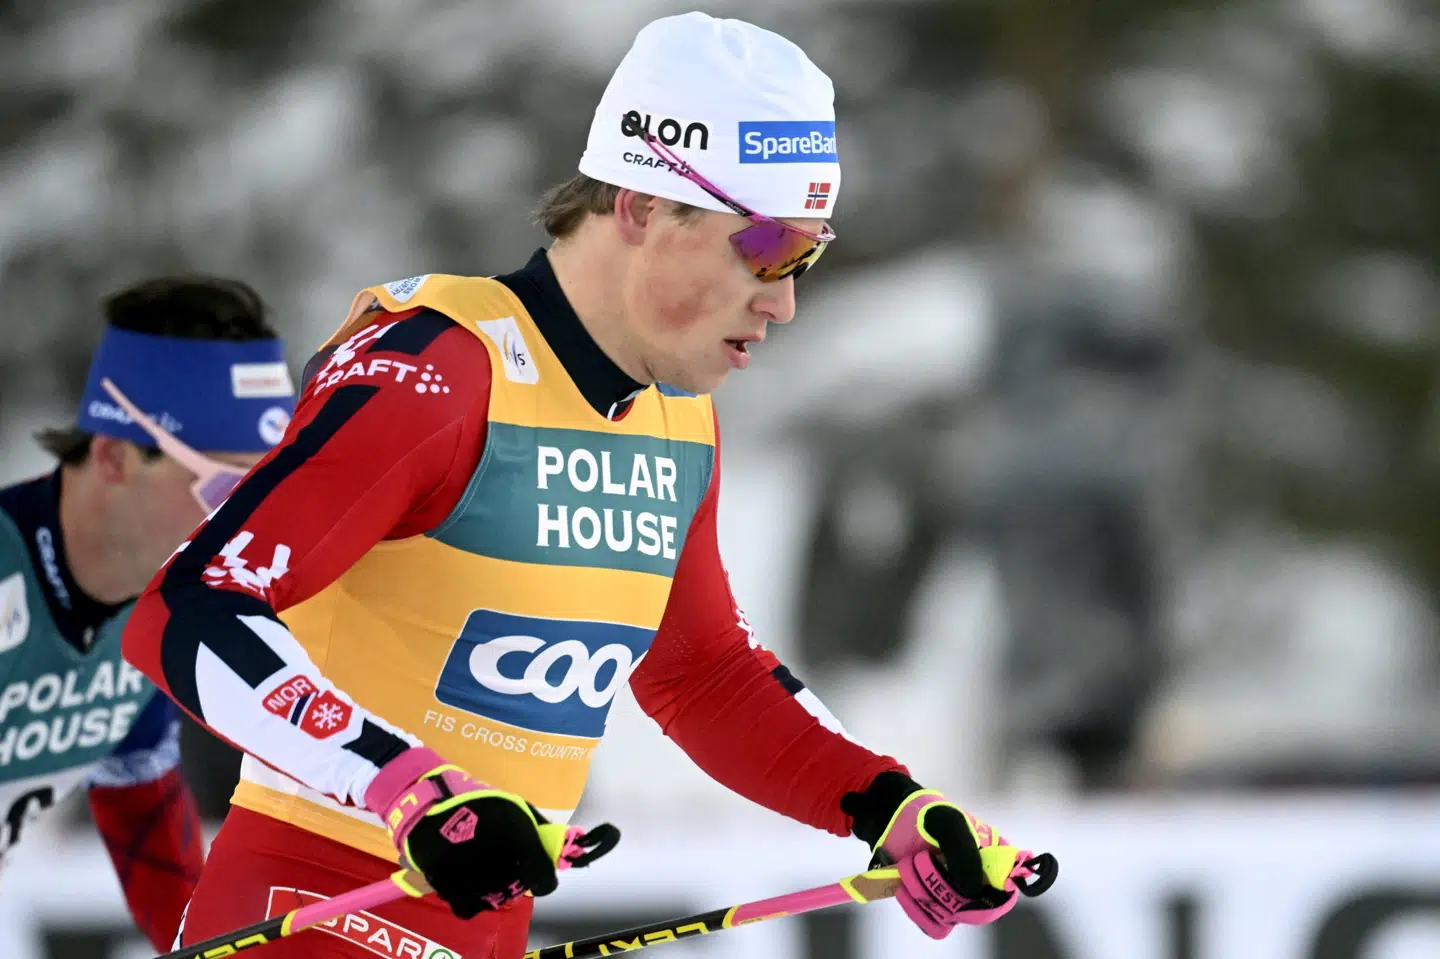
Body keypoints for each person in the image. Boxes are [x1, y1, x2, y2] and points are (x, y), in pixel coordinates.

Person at [125, 13, 1055, 958]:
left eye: (806, 258)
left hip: (484, 923)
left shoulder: (676, 416)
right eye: (766, 247)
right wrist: (405, 785)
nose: (783, 300)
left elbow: (702, 674)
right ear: (642, 208)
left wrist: (892, 807)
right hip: (315, 906)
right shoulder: (441, 370)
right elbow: (186, 604)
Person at [0, 276, 296, 951]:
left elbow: (160, 858)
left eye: (271, 490)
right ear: (113, 456)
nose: (253, 526)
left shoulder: (152, 619)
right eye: (226, 487)